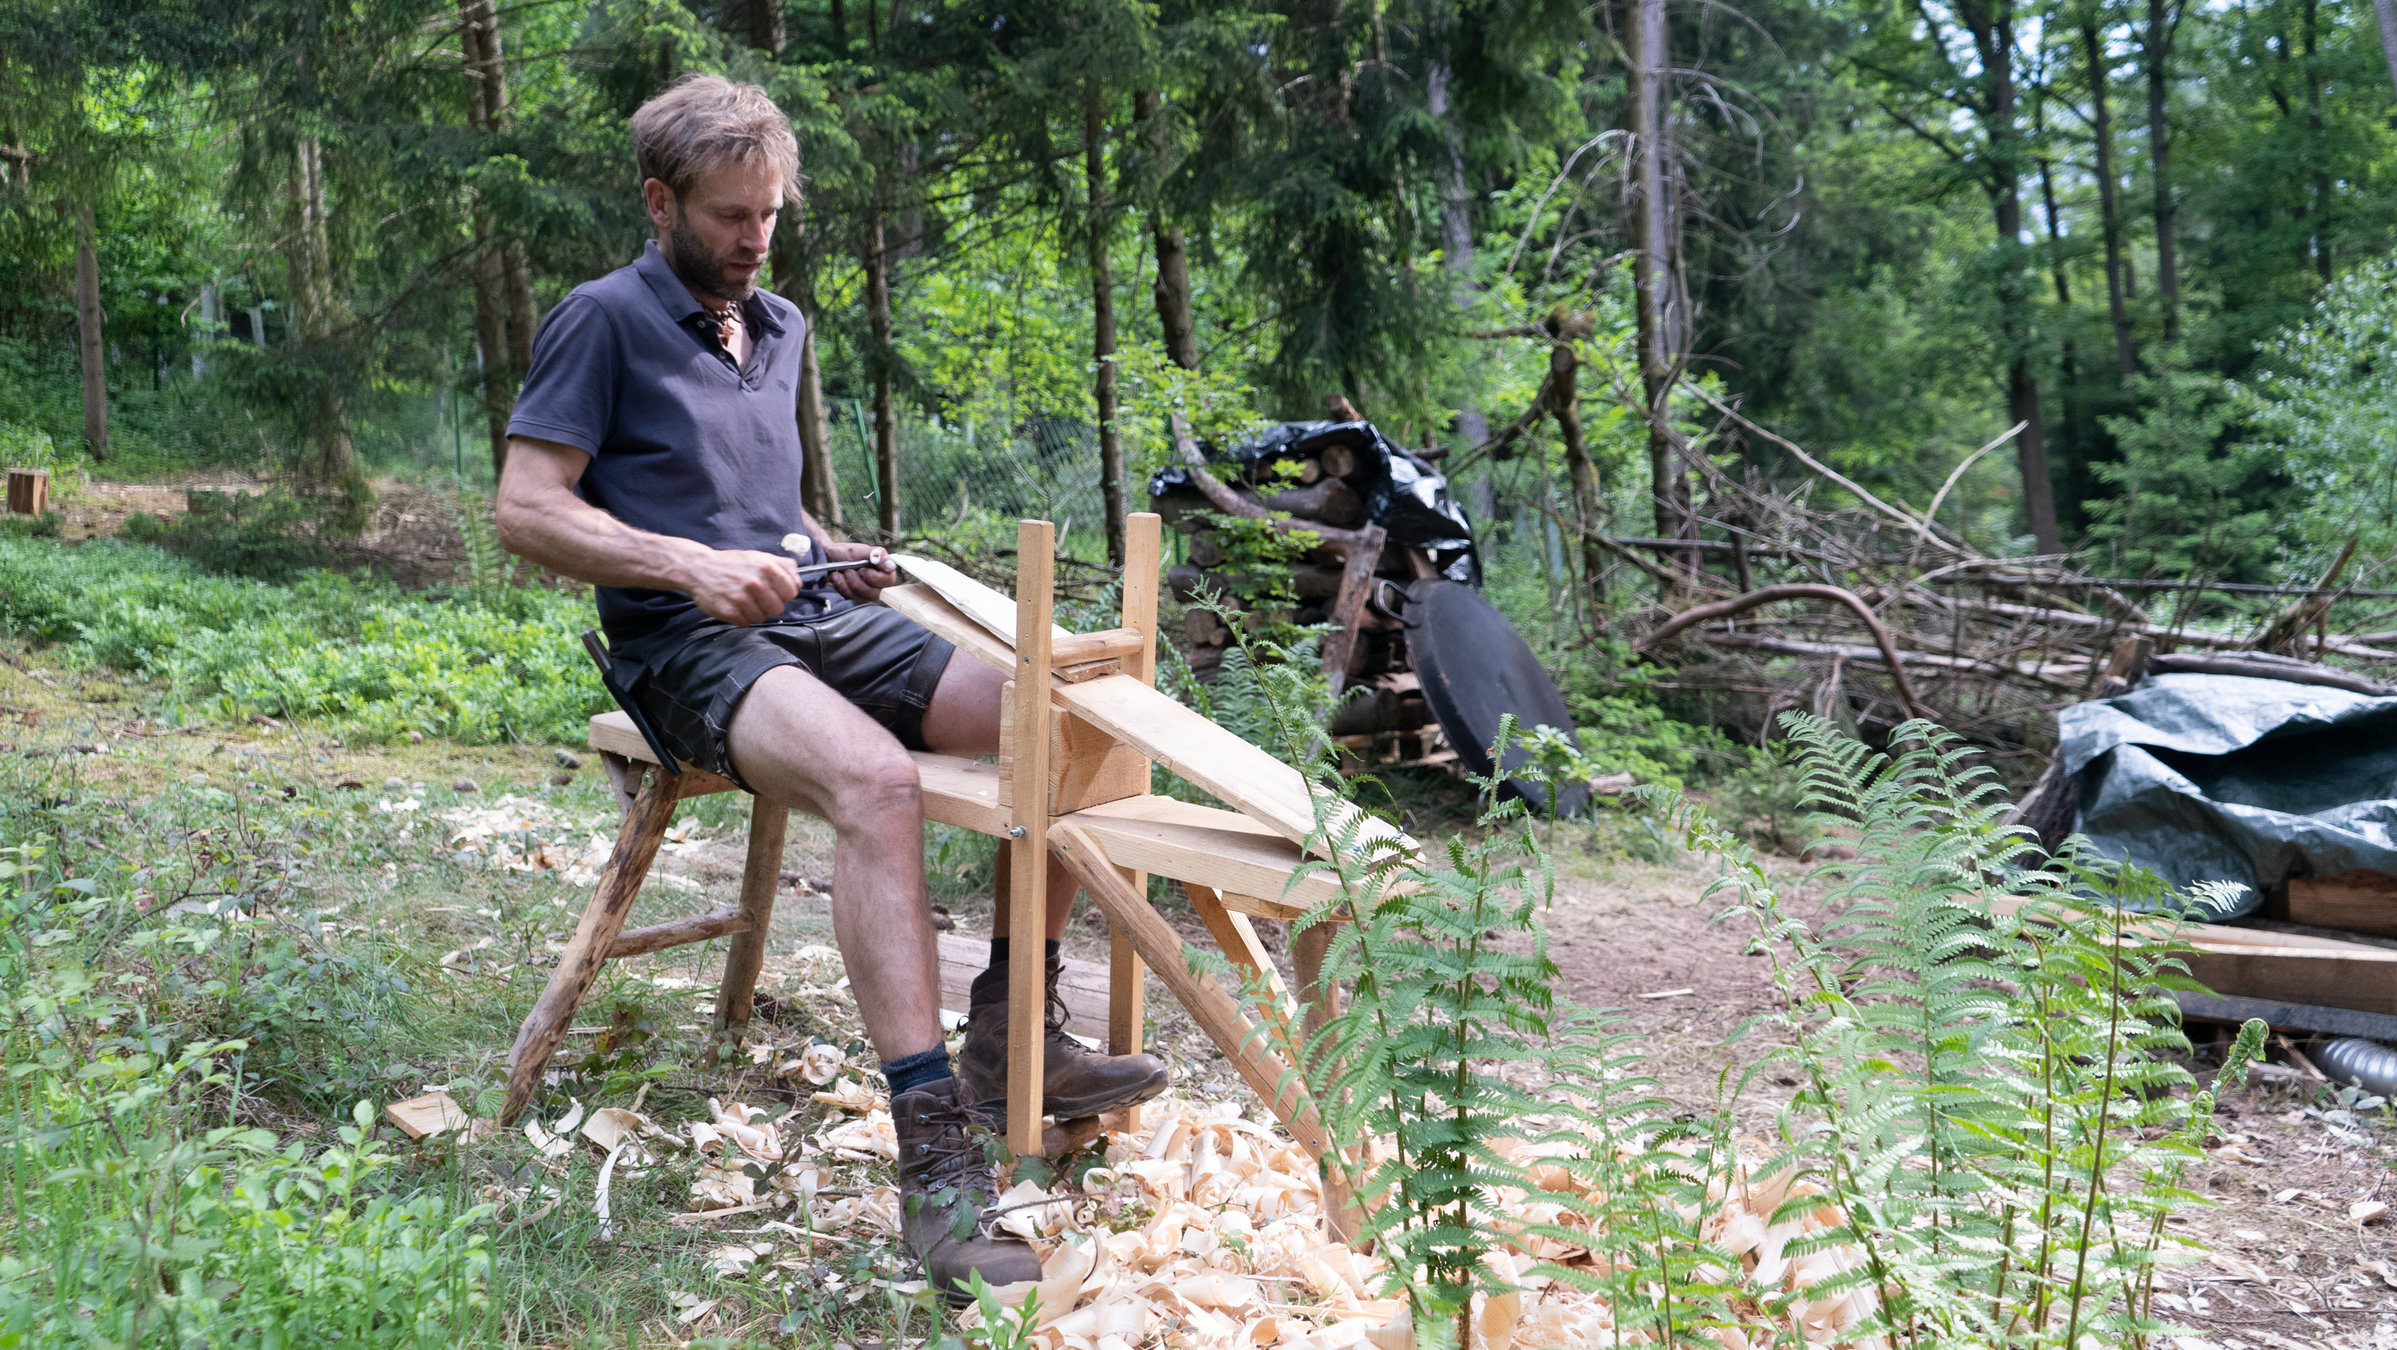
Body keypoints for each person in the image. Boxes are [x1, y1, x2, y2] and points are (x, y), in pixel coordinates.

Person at [493, 74, 1168, 1300]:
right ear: (661, 201)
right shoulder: (601, 320)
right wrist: (689, 566)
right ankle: (936, 1169)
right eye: (728, 218)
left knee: (1063, 720)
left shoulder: (782, 323)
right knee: (871, 779)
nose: (754, 241)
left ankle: (1015, 1037)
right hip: (680, 648)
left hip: (806, 615)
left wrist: (822, 546)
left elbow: (761, 502)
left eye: (770, 215)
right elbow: (526, 509)